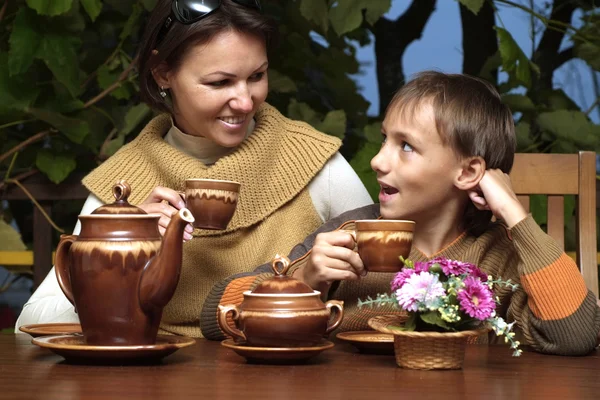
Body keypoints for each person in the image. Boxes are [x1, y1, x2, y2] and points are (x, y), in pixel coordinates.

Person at [15, 0, 372, 337]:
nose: (245, 101)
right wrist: (122, 248)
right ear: (162, 73)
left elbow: (393, 290)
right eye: (220, 82)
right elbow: (32, 322)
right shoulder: (125, 180)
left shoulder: (310, 158)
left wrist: (309, 283)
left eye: (257, 75)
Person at [202, 71, 600, 356]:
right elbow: (216, 314)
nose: (377, 161)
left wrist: (514, 214)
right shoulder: (348, 234)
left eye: (406, 146)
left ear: (467, 172)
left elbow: (576, 336)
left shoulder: (497, 255)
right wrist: (306, 280)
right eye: (384, 140)